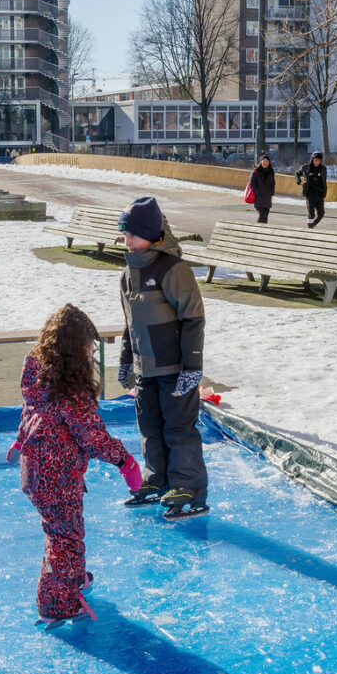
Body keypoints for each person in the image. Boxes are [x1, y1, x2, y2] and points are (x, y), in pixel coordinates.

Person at [10, 304, 142, 626]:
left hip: (34, 472)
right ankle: (57, 603)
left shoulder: (39, 375)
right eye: (87, 346)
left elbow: (30, 414)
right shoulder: (71, 391)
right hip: (57, 475)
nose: (89, 352)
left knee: (58, 530)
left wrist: (19, 441)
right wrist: (125, 461)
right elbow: (92, 436)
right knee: (66, 539)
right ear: (75, 348)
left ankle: (74, 579)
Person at [116, 197, 209, 520]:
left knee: (178, 428)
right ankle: (157, 480)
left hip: (174, 367)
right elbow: (130, 323)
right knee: (150, 428)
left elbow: (193, 318)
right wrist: (127, 360)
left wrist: (192, 367)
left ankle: (189, 486)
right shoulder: (127, 275)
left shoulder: (173, 269)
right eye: (124, 234)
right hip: (146, 369)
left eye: (132, 234)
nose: (126, 241)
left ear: (152, 235)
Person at [295, 151, 329, 227]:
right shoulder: (306, 167)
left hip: (319, 194)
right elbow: (297, 173)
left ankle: (311, 225)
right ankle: (310, 227)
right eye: (315, 160)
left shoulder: (323, 169)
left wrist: (324, 192)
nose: (317, 162)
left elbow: (324, 181)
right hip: (309, 194)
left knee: (321, 213)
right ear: (312, 159)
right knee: (311, 214)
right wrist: (298, 181)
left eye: (319, 161)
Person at [248, 155, 276, 224]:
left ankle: (263, 231)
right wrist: (258, 192)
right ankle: (258, 230)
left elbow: (273, 183)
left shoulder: (271, 172)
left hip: (267, 198)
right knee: (261, 216)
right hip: (259, 198)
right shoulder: (255, 172)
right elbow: (252, 184)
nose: (265, 163)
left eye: (267, 161)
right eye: (264, 161)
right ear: (260, 162)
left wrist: (271, 192)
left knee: (265, 217)